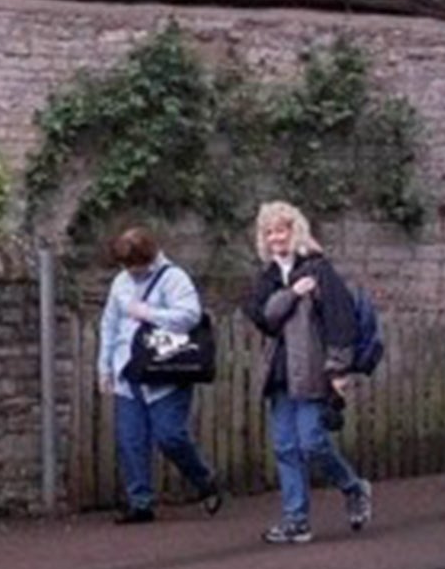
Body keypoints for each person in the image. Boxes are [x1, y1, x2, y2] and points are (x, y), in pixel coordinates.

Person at [242, 201, 371, 545]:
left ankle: (353, 487)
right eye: (268, 232)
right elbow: (263, 316)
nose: (275, 239)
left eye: (281, 230)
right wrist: (291, 293)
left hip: (313, 369)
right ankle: (296, 519)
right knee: (285, 447)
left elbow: (340, 319)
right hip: (280, 371)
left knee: (312, 442)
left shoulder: (319, 269)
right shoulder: (267, 277)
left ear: (294, 230)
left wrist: (339, 369)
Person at [96, 227, 222, 524]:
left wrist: (148, 313)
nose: (130, 271)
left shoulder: (173, 278)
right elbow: (109, 325)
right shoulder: (120, 282)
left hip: (167, 371)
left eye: (135, 264)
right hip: (129, 372)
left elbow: (190, 315)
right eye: (125, 266)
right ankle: (140, 502)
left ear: (149, 257)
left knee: (170, 436)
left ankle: (204, 480)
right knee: (131, 440)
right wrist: (104, 367)